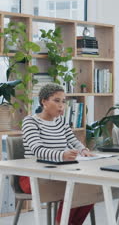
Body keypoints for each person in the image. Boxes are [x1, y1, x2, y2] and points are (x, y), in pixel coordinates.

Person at [21, 83, 94, 225]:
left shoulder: (61, 121)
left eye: (63, 102)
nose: (61, 106)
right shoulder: (30, 121)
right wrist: (62, 155)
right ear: (44, 101)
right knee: (75, 187)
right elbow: (37, 149)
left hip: (60, 172)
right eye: (56, 100)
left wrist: (83, 150)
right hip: (32, 176)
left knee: (91, 187)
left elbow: (73, 140)